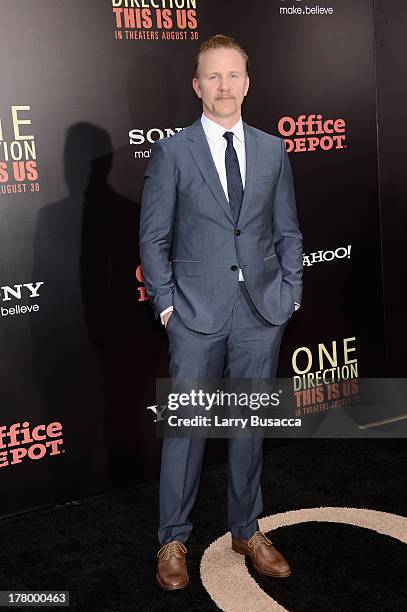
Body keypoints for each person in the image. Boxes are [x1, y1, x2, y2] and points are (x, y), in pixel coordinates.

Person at [140, 34, 303, 590]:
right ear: (196, 86)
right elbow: (153, 239)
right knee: (186, 430)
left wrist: (290, 293)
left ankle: (245, 528)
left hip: (261, 312)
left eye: (233, 75)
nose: (224, 86)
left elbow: (286, 230)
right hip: (194, 315)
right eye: (213, 76)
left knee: (250, 426)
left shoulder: (273, 150)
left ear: (247, 84)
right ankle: (173, 538)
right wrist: (167, 309)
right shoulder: (172, 152)